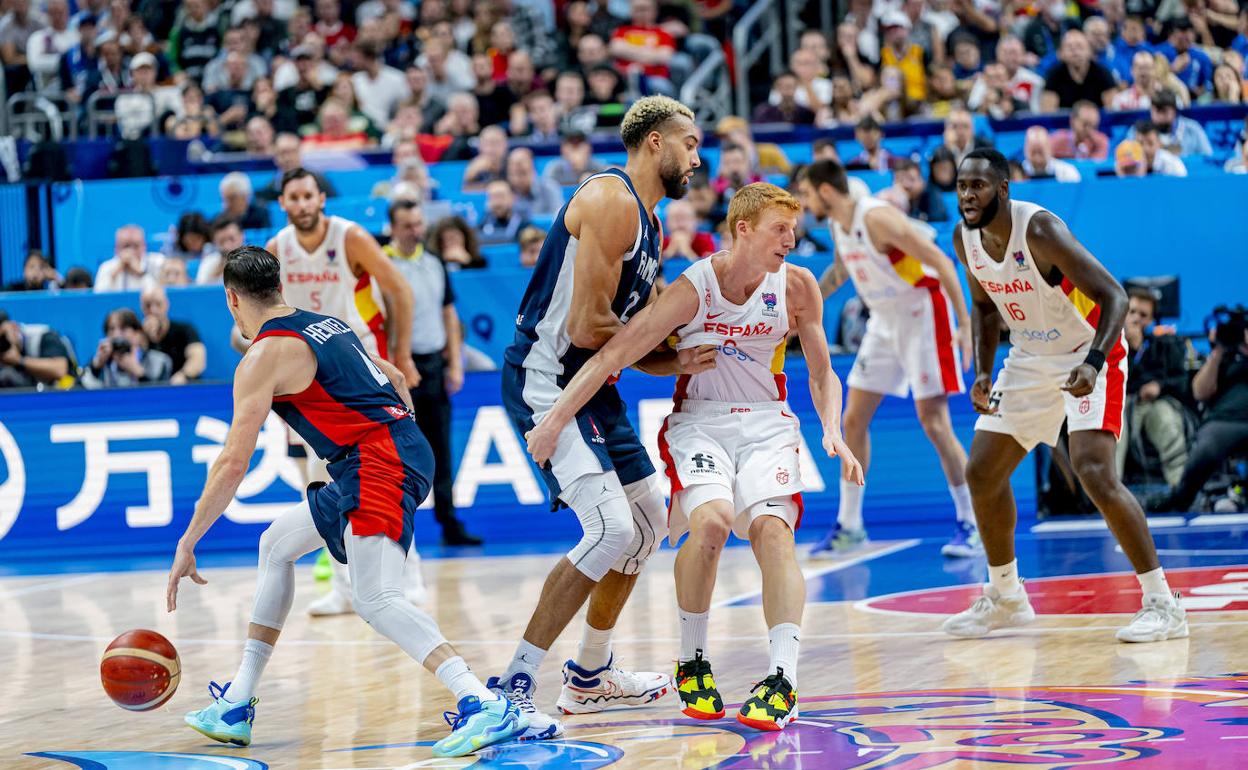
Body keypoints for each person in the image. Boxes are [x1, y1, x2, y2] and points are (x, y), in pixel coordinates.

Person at [525, 182, 862, 732]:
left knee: (774, 533)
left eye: (794, 230)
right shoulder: (693, 288)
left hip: (767, 421)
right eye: (781, 229)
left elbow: (823, 371)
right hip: (700, 423)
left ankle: (783, 679)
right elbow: (620, 351)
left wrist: (833, 430)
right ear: (743, 229)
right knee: (711, 525)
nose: (792, 240)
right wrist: (558, 417)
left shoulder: (797, 286)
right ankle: (693, 661)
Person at [166, 247, 527, 758]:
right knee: (276, 545)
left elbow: (231, 463)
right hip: (387, 449)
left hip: (377, 461)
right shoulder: (326, 323)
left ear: (231, 299)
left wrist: (188, 540)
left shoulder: (262, 358)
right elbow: (394, 378)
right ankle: (237, 702)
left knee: (376, 598)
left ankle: (482, 702)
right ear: (279, 286)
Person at [496, 95, 702, 738]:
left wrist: (680, 356)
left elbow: (625, 344)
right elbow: (589, 327)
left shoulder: (653, 225)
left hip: (595, 386)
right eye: (689, 143)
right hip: (548, 380)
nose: (698, 156)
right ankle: (514, 686)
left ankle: (589, 677)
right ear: (655, 144)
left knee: (646, 525)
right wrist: (665, 341)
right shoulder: (613, 202)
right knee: (611, 529)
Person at [944, 148, 1187, 643]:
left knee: (1094, 470)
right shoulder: (964, 238)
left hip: (1089, 345)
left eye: (979, 186)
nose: (968, 195)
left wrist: (1094, 363)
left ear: (1003, 190)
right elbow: (985, 309)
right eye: (962, 186)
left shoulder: (1038, 231)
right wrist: (983, 371)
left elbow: (1115, 295)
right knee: (982, 471)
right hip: (1031, 356)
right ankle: (1007, 597)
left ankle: (1164, 603)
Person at [261, 168, 423, 618]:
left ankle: (409, 578)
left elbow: (399, 291)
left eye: (308, 195)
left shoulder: (348, 237)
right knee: (322, 482)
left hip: (360, 365)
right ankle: (344, 587)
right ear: (283, 203)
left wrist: (403, 356)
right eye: (293, 197)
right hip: (310, 378)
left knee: (387, 476)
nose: (302, 204)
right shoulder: (277, 249)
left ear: (321, 199)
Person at [799, 160, 980, 558]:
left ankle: (974, 522)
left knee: (934, 421)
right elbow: (839, 273)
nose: (804, 201)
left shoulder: (877, 218)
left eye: (807, 193)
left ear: (825, 191)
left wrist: (965, 323)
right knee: (852, 419)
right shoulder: (837, 226)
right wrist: (802, 309)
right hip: (883, 320)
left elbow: (942, 261)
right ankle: (850, 526)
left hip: (921, 313)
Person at [384, 200, 480, 546]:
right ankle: (394, 522)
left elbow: (449, 315)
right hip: (396, 367)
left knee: (441, 448)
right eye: (407, 225)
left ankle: (449, 521)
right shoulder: (382, 264)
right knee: (397, 452)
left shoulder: (434, 263)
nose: (415, 231)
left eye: (418, 223)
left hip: (433, 365)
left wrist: (455, 362)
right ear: (393, 228)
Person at [1149, 308, 1248, 512]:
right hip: (1224, 421)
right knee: (1208, 445)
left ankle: (1238, 492)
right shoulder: (1223, 358)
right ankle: (1181, 498)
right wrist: (1218, 351)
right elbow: (1200, 392)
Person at [1116, 287, 1189, 488]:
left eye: (1143, 315)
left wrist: (1159, 385)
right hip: (1121, 403)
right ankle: (1109, 493)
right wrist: (1131, 348)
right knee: (1114, 428)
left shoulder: (1164, 344)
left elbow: (1181, 381)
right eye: (1132, 312)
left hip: (1154, 403)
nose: (1136, 319)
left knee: (1168, 422)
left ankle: (1180, 490)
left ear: (1150, 320)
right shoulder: (1111, 342)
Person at [82, 308, 173, 388]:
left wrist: (138, 372)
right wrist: (96, 367)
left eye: (123, 328)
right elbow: (77, 392)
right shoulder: (99, 363)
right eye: (111, 329)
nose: (116, 334)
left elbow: (161, 397)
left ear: (138, 334)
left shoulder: (159, 361)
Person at [140, 284, 207, 385]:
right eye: (148, 305)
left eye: (158, 304)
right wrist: (143, 337)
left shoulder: (185, 330)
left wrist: (183, 375)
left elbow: (198, 360)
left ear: (166, 304)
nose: (153, 310)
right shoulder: (139, 335)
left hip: (183, 389)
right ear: (142, 307)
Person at [0, 309, 73, 389]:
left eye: (3, 336)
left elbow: (60, 370)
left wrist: (19, 360)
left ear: (14, 326)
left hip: (69, 392)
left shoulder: (42, 335)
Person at [95, 225, 163, 292]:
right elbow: (99, 297)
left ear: (144, 246)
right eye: (126, 246)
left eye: (136, 246)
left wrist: (140, 273)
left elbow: (160, 296)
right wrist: (114, 274)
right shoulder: (106, 267)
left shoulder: (157, 262)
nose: (131, 251)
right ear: (116, 248)